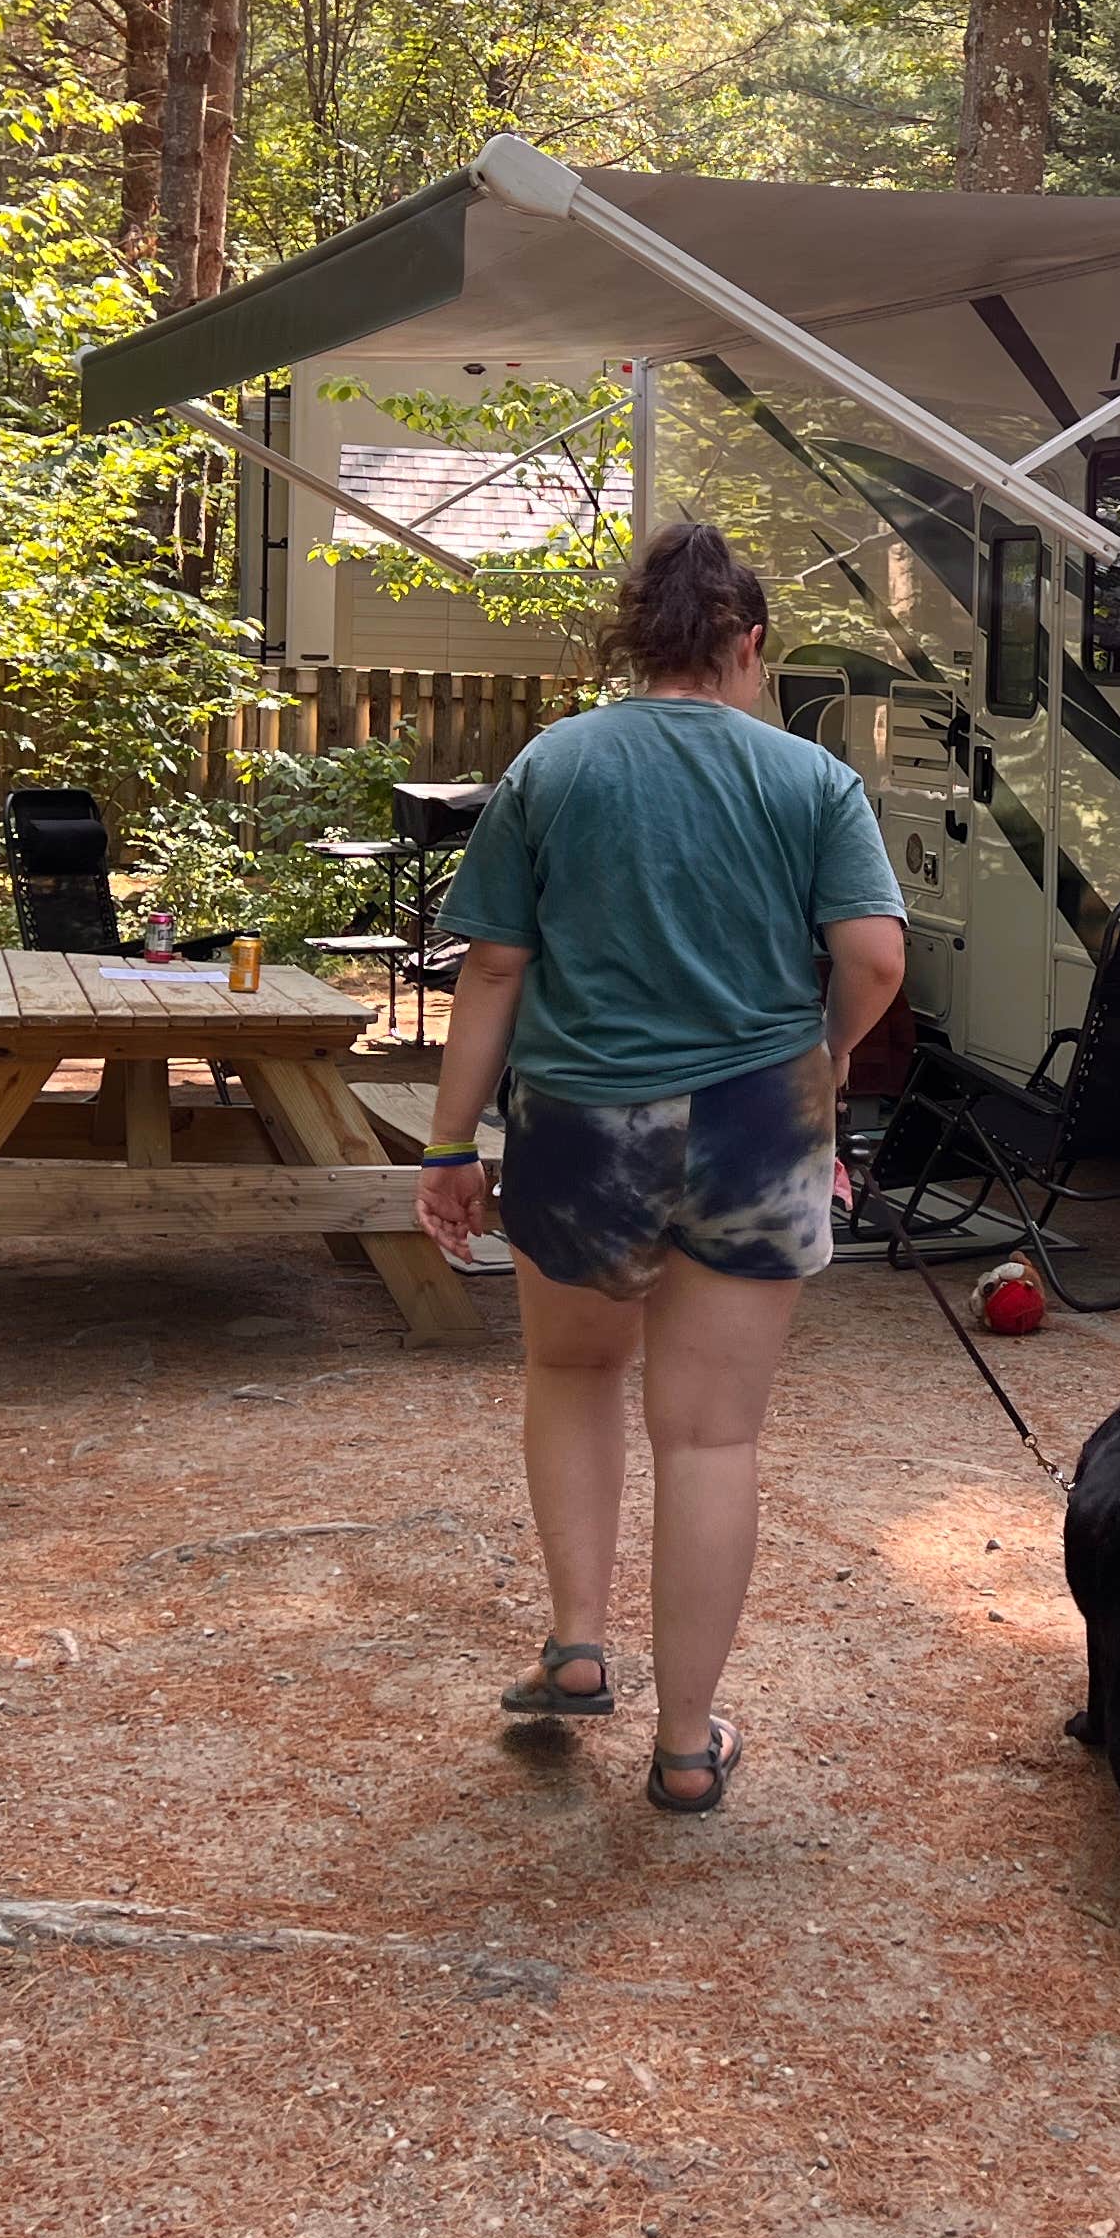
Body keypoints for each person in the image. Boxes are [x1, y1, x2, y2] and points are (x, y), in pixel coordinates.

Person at [414, 521, 906, 1813]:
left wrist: (450, 1143)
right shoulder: (813, 780)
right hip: (758, 1123)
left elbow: (494, 968)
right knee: (710, 1436)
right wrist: (825, 1057)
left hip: (584, 1124)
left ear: (634, 644)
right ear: (750, 645)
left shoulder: (553, 764)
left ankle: (579, 1646)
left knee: (573, 1372)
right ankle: (687, 1747)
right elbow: (874, 958)